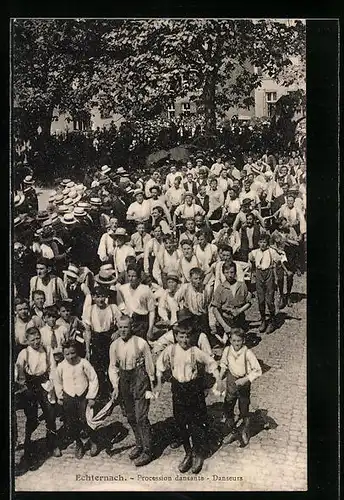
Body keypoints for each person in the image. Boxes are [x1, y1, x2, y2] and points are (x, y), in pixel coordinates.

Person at [155, 320, 220, 474]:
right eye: (181, 336)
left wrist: (218, 379)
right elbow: (159, 365)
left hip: (193, 389)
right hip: (178, 388)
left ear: (191, 337)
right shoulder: (170, 350)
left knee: (197, 422)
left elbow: (211, 363)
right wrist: (158, 382)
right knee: (181, 422)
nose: (184, 340)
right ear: (176, 336)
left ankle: (199, 453)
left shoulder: (195, 351)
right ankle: (188, 452)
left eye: (187, 337)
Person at [108, 315, 155, 467]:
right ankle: (139, 444)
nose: (123, 330)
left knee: (141, 416)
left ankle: (148, 450)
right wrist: (115, 386)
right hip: (124, 379)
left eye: (126, 327)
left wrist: (151, 387)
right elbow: (113, 367)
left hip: (139, 377)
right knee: (130, 415)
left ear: (131, 326)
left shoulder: (141, 343)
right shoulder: (114, 345)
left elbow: (149, 365)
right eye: (120, 327)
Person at [15, 327, 61, 466]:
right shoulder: (24, 353)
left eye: (38, 338)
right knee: (32, 417)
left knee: (50, 413)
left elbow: (52, 368)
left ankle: (52, 443)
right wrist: (23, 386)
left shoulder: (47, 350)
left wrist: (53, 385)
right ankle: (28, 444)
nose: (36, 342)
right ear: (27, 341)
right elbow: (19, 370)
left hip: (44, 384)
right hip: (30, 386)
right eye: (32, 339)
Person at [54, 340, 99, 458]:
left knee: (86, 419)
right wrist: (59, 396)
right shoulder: (61, 366)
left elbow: (93, 378)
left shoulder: (83, 363)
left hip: (83, 396)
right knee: (72, 421)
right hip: (69, 397)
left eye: (72, 353)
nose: (70, 357)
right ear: (63, 354)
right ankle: (79, 443)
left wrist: (91, 396)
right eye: (67, 354)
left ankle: (92, 441)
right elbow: (57, 382)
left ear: (77, 352)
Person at [218, 327, 262, 446]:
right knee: (229, 405)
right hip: (231, 380)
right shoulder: (227, 350)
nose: (236, 343)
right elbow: (223, 365)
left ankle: (244, 431)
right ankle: (232, 431)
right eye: (234, 340)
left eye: (239, 341)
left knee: (244, 407)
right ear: (230, 340)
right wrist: (219, 378)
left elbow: (258, 370)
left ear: (243, 341)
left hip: (243, 381)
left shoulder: (248, 353)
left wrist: (245, 379)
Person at [83, 287, 123, 400]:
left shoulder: (112, 308)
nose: (100, 299)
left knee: (112, 365)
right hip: (96, 340)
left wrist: (117, 332)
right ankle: (102, 394)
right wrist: (87, 350)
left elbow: (122, 323)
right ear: (93, 297)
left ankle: (115, 391)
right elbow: (88, 331)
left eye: (102, 296)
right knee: (98, 368)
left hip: (109, 339)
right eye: (97, 296)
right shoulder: (89, 310)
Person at [248, 234, 285, 334]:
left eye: (264, 242)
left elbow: (280, 259)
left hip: (269, 274)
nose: (262, 244)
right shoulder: (255, 252)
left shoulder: (272, 252)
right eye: (261, 242)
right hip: (259, 274)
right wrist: (253, 272)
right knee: (261, 300)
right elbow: (250, 260)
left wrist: (276, 271)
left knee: (269, 300)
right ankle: (263, 320)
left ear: (267, 243)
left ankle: (272, 321)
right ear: (258, 243)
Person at [212, 262, 252, 344]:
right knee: (228, 345)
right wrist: (225, 326)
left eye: (232, 272)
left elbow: (248, 303)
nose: (229, 275)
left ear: (235, 272)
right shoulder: (220, 288)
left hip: (238, 319)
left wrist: (239, 310)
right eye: (226, 273)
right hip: (225, 320)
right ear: (223, 273)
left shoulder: (242, 286)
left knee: (239, 343)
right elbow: (215, 309)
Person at [117, 265, 156, 341]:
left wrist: (150, 329)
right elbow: (120, 307)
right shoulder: (122, 289)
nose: (131, 279)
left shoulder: (146, 289)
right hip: (128, 323)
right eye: (129, 276)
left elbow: (152, 311)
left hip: (141, 323)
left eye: (134, 276)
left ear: (138, 277)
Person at [174, 267, 212, 333]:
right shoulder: (186, 287)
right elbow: (175, 299)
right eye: (195, 279)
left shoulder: (206, 289)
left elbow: (209, 304)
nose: (198, 281)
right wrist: (180, 307)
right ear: (190, 279)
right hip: (189, 315)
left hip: (201, 315)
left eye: (200, 278)